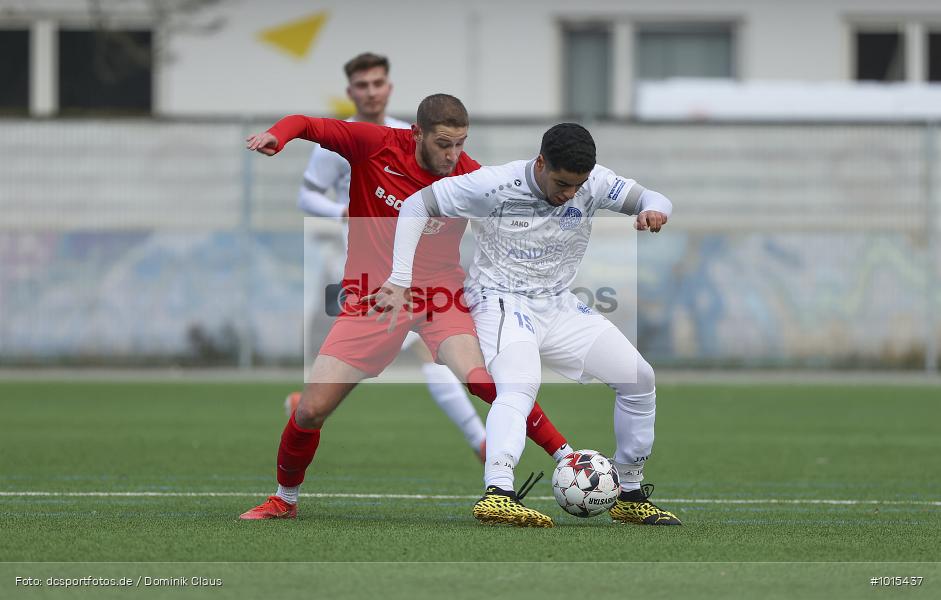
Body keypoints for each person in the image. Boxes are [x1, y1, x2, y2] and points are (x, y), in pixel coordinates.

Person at [239, 94, 574, 521]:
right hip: (373, 298)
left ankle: (567, 455)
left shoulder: (470, 176)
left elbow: (518, 213)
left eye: (461, 144)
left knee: (485, 381)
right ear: (417, 133)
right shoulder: (374, 144)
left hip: (440, 298)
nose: (454, 155)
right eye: (443, 144)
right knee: (310, 410)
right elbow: (307, 123)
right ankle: (284, 498)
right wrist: (277, 135)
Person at [375, 123, 682, 527]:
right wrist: (399, 278)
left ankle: (628, 491)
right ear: (540, 163)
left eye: (579, 185)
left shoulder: (595, 183)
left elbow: (655, 197)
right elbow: (417, 204)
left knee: (639, 378)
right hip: (500, 301)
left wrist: (653, 210)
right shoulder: (493, 184)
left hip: (559, 305)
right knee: (519, 384)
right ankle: (497, 492)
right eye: (562, 182)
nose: (570, 193)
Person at [288, 52, 488, 462]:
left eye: (378, 83)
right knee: (349, 369)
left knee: (428, 353)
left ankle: (482, 442)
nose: (371, 92)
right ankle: (310, 407)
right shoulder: (343, 140)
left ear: (389, 87)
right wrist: (340, 212)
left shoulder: (409, 137)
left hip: (417, 276)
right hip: (361, 270)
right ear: (351, 92)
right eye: (362, 85)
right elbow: (307, 194)